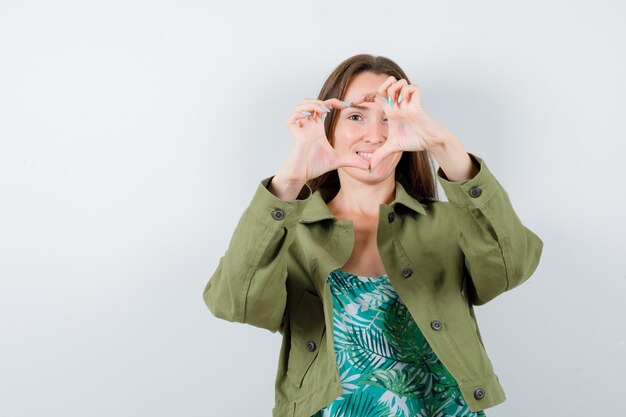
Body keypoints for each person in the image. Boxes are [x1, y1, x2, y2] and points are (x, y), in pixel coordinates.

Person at [203, 54, 543, 417]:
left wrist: (443, 146)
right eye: (355, 116)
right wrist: (290, 178)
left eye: (389, 117)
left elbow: (513, 267)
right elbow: (232, 303)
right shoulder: (289, 233)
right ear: (328, 126)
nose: (376, 134)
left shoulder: (450, 222)